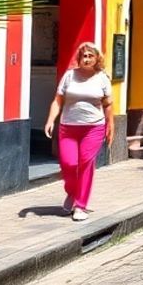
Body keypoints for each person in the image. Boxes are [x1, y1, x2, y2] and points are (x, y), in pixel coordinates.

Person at [44, 42, 114, 221]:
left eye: (91, 56)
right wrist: (51, 120)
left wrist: (110, 126)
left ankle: (81, 205)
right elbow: (58, 100)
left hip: (94, 128)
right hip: (68, 127)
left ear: (97, 58)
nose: (87, 59)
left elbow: (108, 105)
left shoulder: (102, 78)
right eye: (84, 56)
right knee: (68, 164)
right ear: (79, 58)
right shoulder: (69, 76)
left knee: (85, 163)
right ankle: (72, 192)